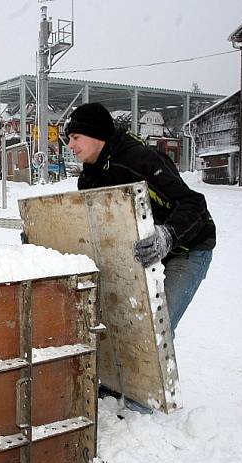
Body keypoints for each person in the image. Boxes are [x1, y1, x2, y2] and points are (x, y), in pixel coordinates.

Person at [65, 102, 216, 332]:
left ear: (96, 134)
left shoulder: (139, 160)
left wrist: (167, 236)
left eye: (75, 137)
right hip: (142, 252)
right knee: (123, 329)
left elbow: (194, 205)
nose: (70, 145)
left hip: (188, 248)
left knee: (156, 329)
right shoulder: (88, 179)